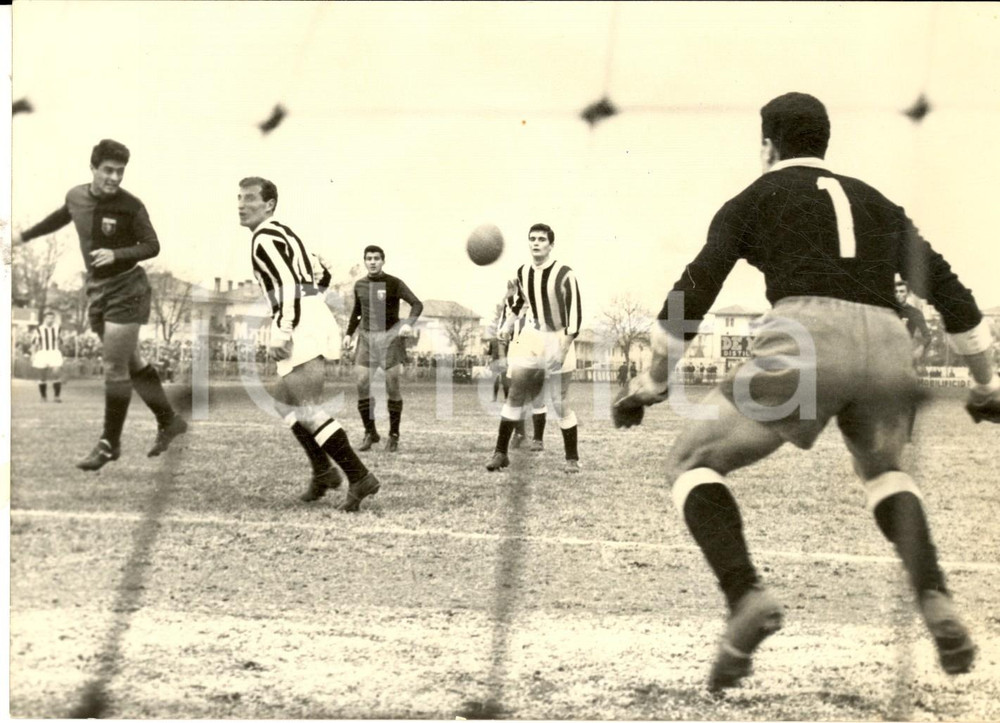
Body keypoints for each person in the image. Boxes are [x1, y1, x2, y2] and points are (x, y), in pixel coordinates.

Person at [613, 93, 1000, 691]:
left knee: (690, 460)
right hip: (889, 342)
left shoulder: (753, 198)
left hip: (807, 333)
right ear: (824, 143)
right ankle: (935, 597)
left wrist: (654, 380)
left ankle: (745, 598)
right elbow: (951, 293)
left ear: (767, 144)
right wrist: (984, 384)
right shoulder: (878, 202)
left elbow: (694, 289)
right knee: (885, 473)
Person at [14, 139, 187, 470]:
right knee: (132, 362)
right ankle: (169, 420)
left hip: (128, 287)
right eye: (108, 170)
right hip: (96, 289)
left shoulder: (131, 205)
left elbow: (152, 245)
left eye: (120, 171)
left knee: (113, 366)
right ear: (92, 168)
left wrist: (116, 254)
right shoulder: (76, 196)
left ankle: (109, 443)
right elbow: (59, 217)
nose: (114, 178)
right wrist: (22, 237)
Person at [238, 176, 379, 510]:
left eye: (249, 198)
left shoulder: (264, 238)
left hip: (299, 320)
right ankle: (322, 472)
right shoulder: (285, 233)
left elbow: (288, 283)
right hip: (310, 313)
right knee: (284, 401)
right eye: (239, 198)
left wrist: (284, 328)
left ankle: (359, 477)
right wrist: (311, 305)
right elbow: (322, 275)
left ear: (269, 204)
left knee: (307, 408)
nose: (241, 205)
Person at [486, 223, 581, 473]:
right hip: (531, 335)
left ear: (551, 244)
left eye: (541, 239)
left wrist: (563, 349)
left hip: (560, 337)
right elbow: (519, 303)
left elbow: (575, 315)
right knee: (516, 393)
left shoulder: (565, 274)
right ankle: (500, 453)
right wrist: (507, 324)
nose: (536, 243)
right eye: (532, 239)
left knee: (559, 400)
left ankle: (572, 458)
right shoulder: (523, 272)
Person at [343, 246, 423, 452]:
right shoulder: (360, 285)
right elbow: (357, 312)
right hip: (367, 338)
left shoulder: (393, 283)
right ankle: (370, 432)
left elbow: (416, 304)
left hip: (389, 337)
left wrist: (408, 324)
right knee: (361, 383)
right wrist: (348, 334)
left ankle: (394, 435)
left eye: (376, 258)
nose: (372, 262)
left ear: (383, 261)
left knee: (392, 385)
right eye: (368, 258)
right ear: (365, 261)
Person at [31, 311, 65, 402]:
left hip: (54, 352)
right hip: (42, 353)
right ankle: (43, 396)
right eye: (48, 318)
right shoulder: (39, 329)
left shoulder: (58, 328)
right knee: (42, 377)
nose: (50, 320)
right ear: (45, 318)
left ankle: (57, 397)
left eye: (52, 318)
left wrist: (62, 354)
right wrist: (33, 355)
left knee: (56, 373)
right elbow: (34, 344)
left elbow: (61, 342)